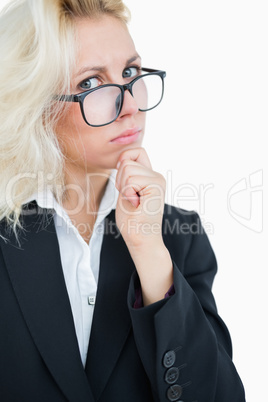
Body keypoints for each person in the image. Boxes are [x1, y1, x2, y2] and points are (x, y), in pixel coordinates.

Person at [0, 0, 245, 401]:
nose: (130, 105)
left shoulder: (178, 236)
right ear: (37, 105)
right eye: (91, 83)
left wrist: (150, 254)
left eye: (131, 72)